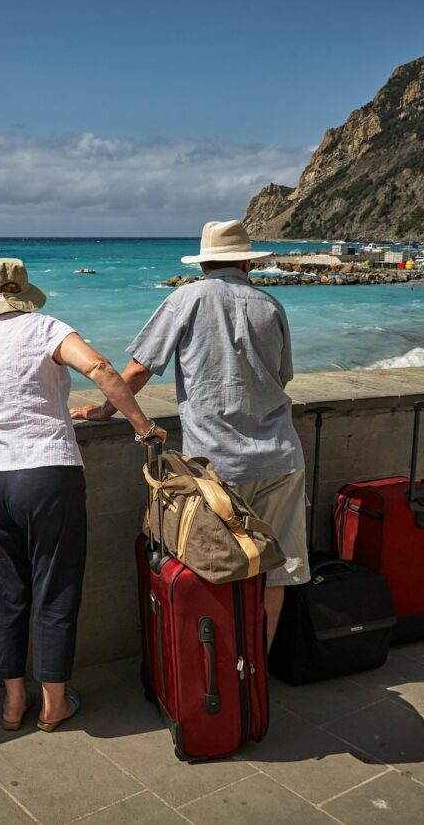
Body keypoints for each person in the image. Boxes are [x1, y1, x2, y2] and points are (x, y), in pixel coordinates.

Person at [71, 220, 306, 650]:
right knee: (279, 571)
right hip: (280, 458)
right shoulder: (271, 305)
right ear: (248, 262)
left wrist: (106, 409)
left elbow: (140, 367)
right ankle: (257, 673)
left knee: (219, 568)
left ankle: (224, 676)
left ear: (203, 264)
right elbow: (282, 379)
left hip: (217, 466)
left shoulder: (186, 298)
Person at [0, 257, 166, 733]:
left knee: (6, 592)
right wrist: (143, 426)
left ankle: (12, 703)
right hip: (48, 473)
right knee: (55, 586)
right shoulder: (46, 329)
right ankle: (53, 703)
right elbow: (101, 367)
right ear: (25, 293)